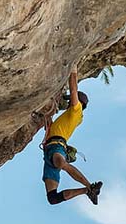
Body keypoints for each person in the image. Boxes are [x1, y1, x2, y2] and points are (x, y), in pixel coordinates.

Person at [42, 64, 102, 205]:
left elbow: (74, 89)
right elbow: (53, 126)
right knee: (53, 198)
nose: (68, 102)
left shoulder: (77, 111)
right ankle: (87, 191)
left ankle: (90, 186)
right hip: (49, 150)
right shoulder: (70, 116)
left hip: (57, 146)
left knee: (62, 164)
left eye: (70, 101)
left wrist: (73, 69)